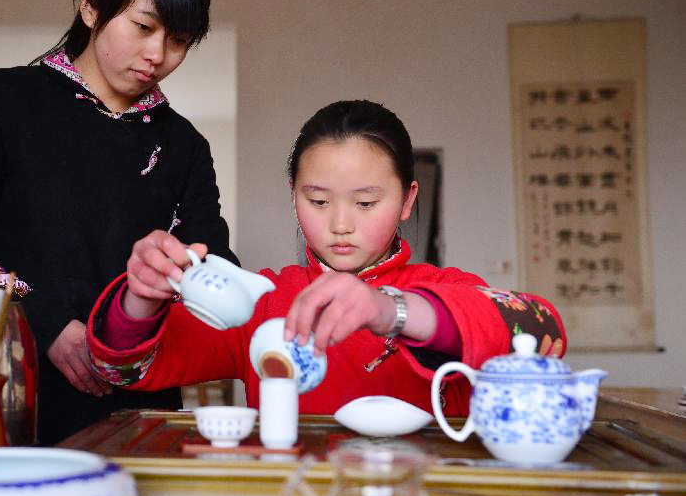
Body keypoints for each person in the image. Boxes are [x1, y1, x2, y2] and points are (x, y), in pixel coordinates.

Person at [0, 0, 236, 444]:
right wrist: (45, 325)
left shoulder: (184, 145)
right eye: (144, 27)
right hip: (4, 394)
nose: (157, 55)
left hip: (138, 412)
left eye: (177, 41)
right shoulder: (1, 101)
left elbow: (213, 266)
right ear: (90, 6)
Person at [86, 100, 567, 415]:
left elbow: (544, 332)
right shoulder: (265, 301)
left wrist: (390, 310)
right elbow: (121, 369)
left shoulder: (444, 290)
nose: (340, 224)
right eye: (318, 201)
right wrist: (141, 297)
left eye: (365, 203)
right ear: (293, 196)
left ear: (406, 200)